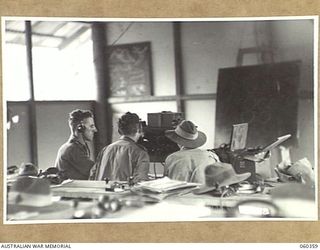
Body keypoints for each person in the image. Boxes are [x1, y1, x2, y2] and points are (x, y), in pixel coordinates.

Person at [90, 112, 150, 183]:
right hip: (125, 194)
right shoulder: (140, 153)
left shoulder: (105, 150)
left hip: (103, 193)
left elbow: (92, 176)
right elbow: (140, 183)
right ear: (139, 128)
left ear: (119, 130)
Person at [164, 120, 221, 184]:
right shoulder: (212, 156)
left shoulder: (172, 158)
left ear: (178, 141)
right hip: (205, 193)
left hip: (179, 193)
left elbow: (166, 183)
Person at [54, 109, 98, 180]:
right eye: (91, 126)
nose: (95, 130)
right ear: (80, 128)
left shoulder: (76, 147)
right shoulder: (72, 149)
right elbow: (97, 171)